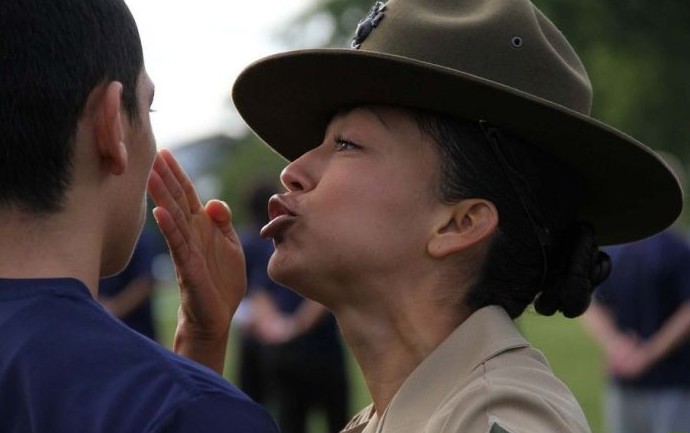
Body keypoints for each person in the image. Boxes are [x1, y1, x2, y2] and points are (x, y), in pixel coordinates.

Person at [147, 0, 683, 432]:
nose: (294, 170)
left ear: (460, 223)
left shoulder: (504, 419)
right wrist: (200, 342)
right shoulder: (394, 418)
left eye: (348, 144)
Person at [0, 0, 277, 431]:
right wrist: (192, 400)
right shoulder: (185, 412)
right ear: (111, 124)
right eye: (148, 109)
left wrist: (200, 347)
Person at [583, 154, 690, 433]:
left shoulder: (678, 250)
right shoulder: (618, 249)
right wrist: (618, 345)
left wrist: (641, 354)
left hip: (671, 383)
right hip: (628, 379)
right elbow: (593, 303)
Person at [238, 182, 350, 433]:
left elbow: (258, 292)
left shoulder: (259, 242)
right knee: (332, 419)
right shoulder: (286, 241)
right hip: (313, 346)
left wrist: (279, 327)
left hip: (293, 345)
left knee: (293, 419)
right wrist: (294, 326)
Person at [99, 223, 160, 341]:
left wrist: (115, 308)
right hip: (105, 329)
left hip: (136, 329)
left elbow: (146, 280)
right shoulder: (97, 236)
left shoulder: (139, 236)